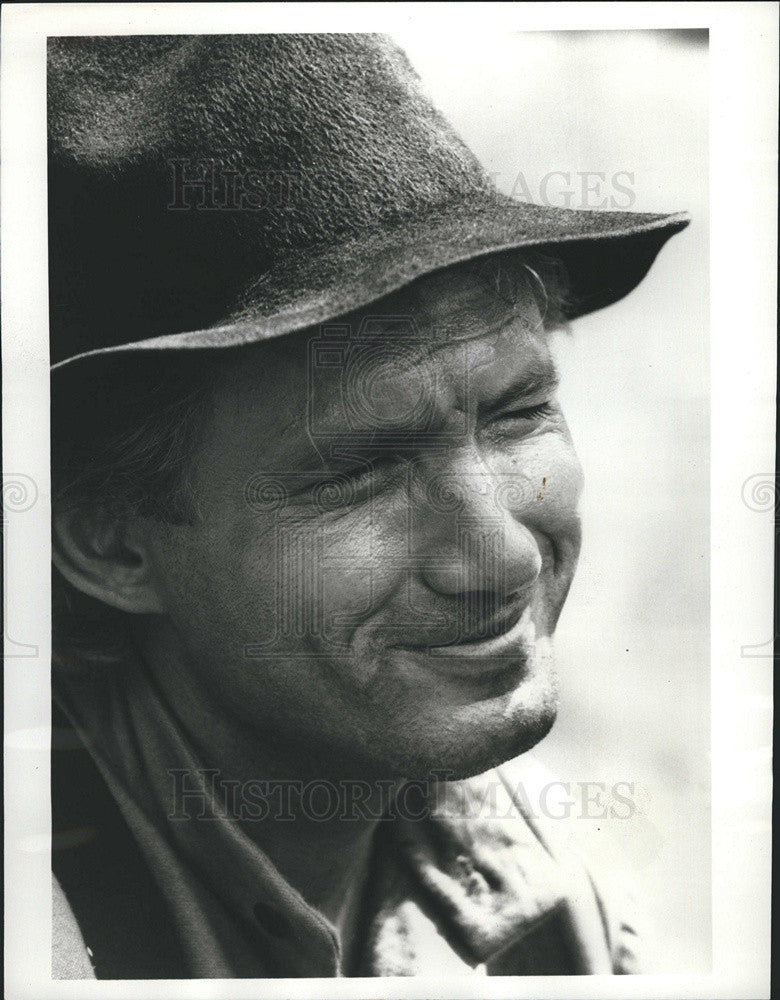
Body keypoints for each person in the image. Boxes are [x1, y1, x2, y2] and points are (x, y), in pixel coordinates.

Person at [48, 33, 688, 978]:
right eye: (361, 469)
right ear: (110, 544)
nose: (502, 557)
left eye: (519, 413)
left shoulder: (553, 883)